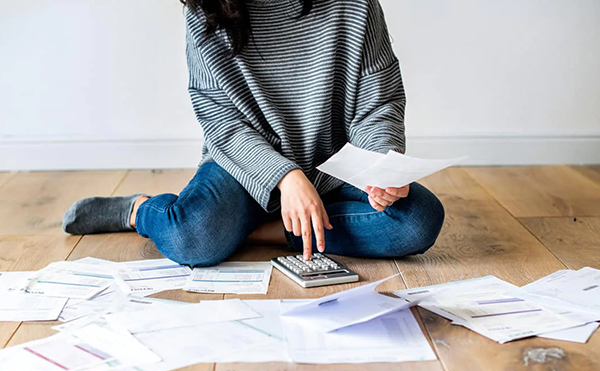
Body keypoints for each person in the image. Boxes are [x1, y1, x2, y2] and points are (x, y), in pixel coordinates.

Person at [62, 0, 445, 266]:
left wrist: (380, 168)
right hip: (243, 166)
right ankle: (139, 210)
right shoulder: (206, 11)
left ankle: (259, 231)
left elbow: (379, 98)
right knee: (191, 237)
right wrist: (286, 177)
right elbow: (222, 122)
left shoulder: (355, 4)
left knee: (417, 220)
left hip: (333, 169)